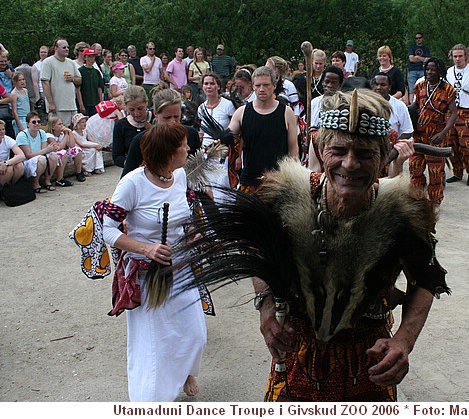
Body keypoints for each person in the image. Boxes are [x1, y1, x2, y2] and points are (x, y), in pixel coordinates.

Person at [177, 88, 449, 401]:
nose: (349, 164)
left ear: (382, 155)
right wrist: (266, 306)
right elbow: (257, 250)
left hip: (370, 359)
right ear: (320, 151)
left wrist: (403, 340)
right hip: (296, 355)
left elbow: (427, 279)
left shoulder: (403, 209)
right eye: (339, 150)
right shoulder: (283, 193)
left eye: (364, 154)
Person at [102, 122, 207, 401]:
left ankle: (186, 371)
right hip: (147, 275)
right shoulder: (132, 184)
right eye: (184, 145)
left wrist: (193, 232)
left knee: (195, 335)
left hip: (181, 268)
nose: (188, 148)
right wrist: (146, 249)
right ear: (169, 153)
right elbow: (108, 229)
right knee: (153, 346)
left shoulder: (181, 176)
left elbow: (188, 213)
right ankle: (151, 402)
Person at [227, 66, 299, 193]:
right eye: (258, 85)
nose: (261, 89)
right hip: (249, 181)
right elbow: (228, 139)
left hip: (278, 183)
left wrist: (294, 178)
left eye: (266, 85)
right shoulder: (241, 113)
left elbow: (293, 149)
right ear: (252, 86)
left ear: (274, 86)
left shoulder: (287, 113)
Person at [409, 58, 457, 208]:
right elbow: (415, 106)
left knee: (435, 173)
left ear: (440, 71)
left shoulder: (448, 90)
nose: (429, 72)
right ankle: (418, 199)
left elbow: (454, 113)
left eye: (433, 70)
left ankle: (434, 203)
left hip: (436, 136)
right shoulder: (420, 86)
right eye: (427, 69)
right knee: (415, 167)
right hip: (418, 135)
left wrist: (443, 133)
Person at [121, 88, 201, 177]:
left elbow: (199, 170)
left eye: (176, 117)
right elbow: (126, 177)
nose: (172, 122)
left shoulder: (191, 134)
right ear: (155, 114)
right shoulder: (142, 140)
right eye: (167, 118)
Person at [445, 44, 469, 186]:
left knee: (466, 145)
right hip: (452, 112)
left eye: (460, 56)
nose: (457, 59)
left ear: (466, 57)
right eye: (455, 56)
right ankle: (457, 172)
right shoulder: (449, 72)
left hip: (467, 111)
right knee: (452, 144)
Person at [15, 111, 59, 193]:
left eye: (39, 121)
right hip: (26, 162)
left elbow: (44, 150)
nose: (37, 124)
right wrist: (46, 150)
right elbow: (28, 155)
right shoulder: (22, 135)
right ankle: (35, 183)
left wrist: (50, 149)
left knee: (53, 156)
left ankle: (47, 181)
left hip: (39, 158)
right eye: (34, 122)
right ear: (27, 124)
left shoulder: (41, 133)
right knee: (41, 159)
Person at [41, 38, 82, 125]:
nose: (67, 49)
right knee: (59, 130)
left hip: (71, 105)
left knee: (75, 129)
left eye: (67, 47)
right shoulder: (48, 62)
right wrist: (51, 103)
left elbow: (79, 80)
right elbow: (45, 83)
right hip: (58, 106)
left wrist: (73, 79)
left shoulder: (71, 62)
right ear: (56, 48)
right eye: (64, 47)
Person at [112, 86, 151, 168]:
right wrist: (131, 163)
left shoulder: (156, 119)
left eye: (140, 108)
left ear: (146, 103)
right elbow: (117, 157)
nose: (136, 113)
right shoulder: (121, 125)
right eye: (132, 110)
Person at [371, 72, 414, 139]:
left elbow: (408, 131)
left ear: (389, 87)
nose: (378, 87)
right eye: (376, 84)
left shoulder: (399, 106)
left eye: (383, 85)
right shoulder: (367, 105)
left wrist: (395, 145)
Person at [45, 115, 85, 184]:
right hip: (52, 156)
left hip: (62, 154)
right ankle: (59, 179)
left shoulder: (62, 134)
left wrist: (70, 132)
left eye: (62, 124)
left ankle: (79, 173)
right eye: (59, 124)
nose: (62, 126)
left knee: (77, 150)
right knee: (63, 153)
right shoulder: (49, 136)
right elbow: (59, 147)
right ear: (53, 127)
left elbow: (72, 145)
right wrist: (66, 135)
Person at [77, 48, 105, 117]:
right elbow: (78, 89)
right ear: (85, 58)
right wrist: (81, 104)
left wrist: (101, 102)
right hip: (85, 102)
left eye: (93, 56)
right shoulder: (80, 71)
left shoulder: (96, 72)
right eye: (89, 56)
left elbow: (99, 87)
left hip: (95, 102)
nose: (91, 59)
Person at [407, 32, 431, 103]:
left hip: (422, 70)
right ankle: (411, 105)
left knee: (423, 88)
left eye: (419, 38)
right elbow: (411, 59)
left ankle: (423, 103)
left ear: (422, 38)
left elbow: (427, 60)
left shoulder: (426, 48)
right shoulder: (412, 47)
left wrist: (417, 57)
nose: (418, 39)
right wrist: (422, 59)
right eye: (416, 38)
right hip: (412, 70)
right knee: (411, 90)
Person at [140, 42, 164, 107]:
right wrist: (153, 60)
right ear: (147, 49)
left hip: (157, 84)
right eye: (150, 49)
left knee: (158, 102)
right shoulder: (143, 59)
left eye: (153, 49)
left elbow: (161, 72)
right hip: (148, 83)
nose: (152, 50)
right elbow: (147, 70)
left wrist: (162, 82)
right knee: (149, 103)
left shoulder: (158, 60)